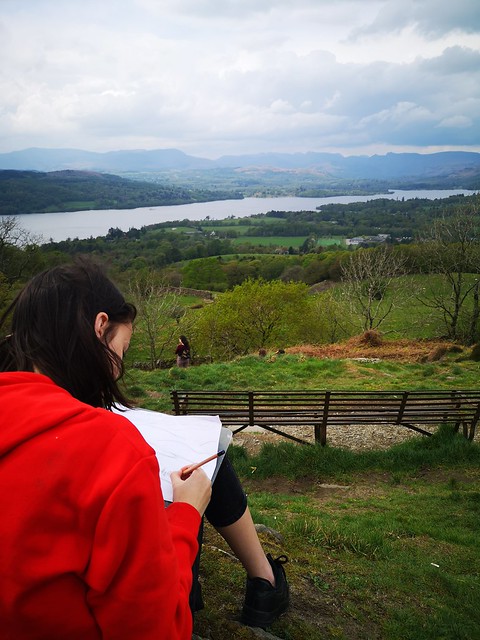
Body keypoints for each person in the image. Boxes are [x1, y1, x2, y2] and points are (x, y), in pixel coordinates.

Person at [0, 260, 212, 640]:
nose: (118, 371)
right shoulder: (111, 449)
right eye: (122, 351)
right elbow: (159, 630)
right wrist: (185, 514)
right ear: (100, 329)